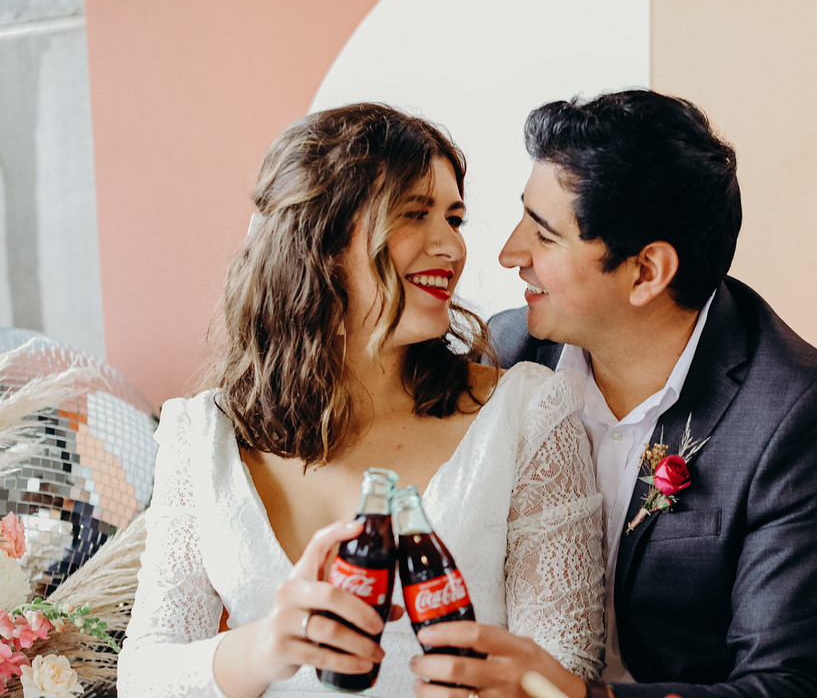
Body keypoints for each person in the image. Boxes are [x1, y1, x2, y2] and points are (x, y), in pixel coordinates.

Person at [407, 90, 817, 698]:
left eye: (545, 235)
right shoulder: (502, 357)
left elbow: (791, 687)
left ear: (647, 272)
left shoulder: (803, 421)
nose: (510, 255)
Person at [116, 103, 605, 697]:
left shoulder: (527, 414)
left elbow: (566, 669)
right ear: (318, 240)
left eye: (454, 218)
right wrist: (266, 646)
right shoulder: (204, 435)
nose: (450, 246)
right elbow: (143, 677)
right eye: (414, 214)